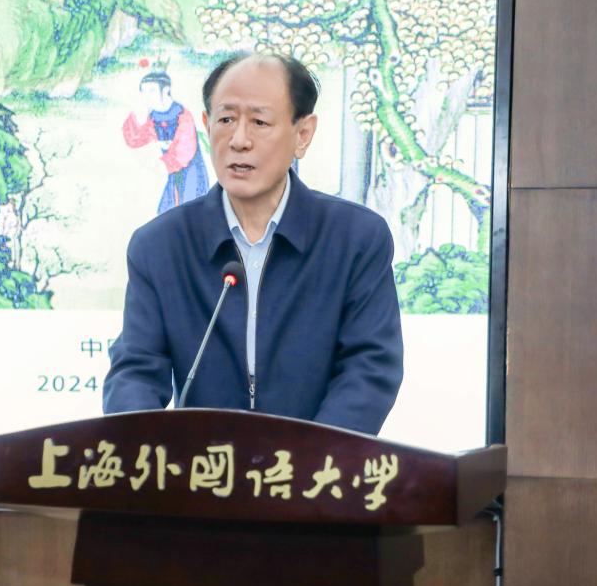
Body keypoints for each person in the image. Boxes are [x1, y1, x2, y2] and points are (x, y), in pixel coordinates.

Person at [103, 53, 403, 436]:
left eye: (259, 122)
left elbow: (369, 369)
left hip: (316, 467)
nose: (239, 140)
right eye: (226, 120)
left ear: (303, 134)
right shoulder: (160, 247)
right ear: (206, 125)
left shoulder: (355, 240)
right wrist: (144, 449)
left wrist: (310, 458)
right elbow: (135, 371)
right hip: (203, 468)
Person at [121, 64, 209, 213]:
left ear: (166, 89)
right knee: (166, 212)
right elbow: (136, 139)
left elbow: (184, 150)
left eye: (152, 90)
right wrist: (136, 116)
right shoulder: (154, 116)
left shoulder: (181, 114)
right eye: (144, 91)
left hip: (191, 173)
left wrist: (162, 164)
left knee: (190, 212)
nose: (147, 96)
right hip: (172, 174)